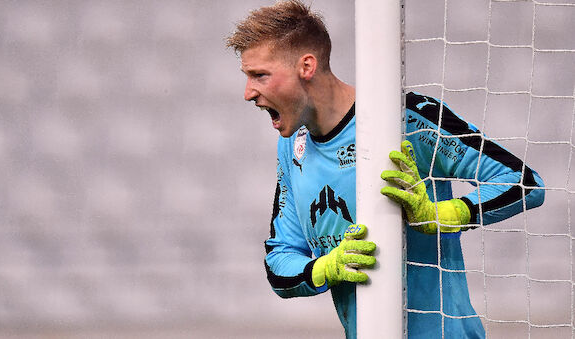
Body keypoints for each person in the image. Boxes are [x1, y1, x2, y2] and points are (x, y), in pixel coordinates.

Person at [226, 1, 545, 338]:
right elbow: (281, 260)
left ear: (306, 66)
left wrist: (439, 214)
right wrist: (326, 267)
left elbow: (524, 183)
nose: (248, 93)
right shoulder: (293, 146)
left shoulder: (407, 119)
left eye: (259, 75)